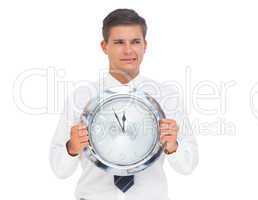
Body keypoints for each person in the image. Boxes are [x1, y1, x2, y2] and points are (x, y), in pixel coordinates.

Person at [50, 8, 199, 200]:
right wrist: (72, 147)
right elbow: (59, 170)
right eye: (119, 42)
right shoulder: (81, 98)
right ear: (104, 46)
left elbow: (188, 166)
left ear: (145, 45)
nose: (128, 50)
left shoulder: (167, 97)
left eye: (135, 42)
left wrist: (173, 146)